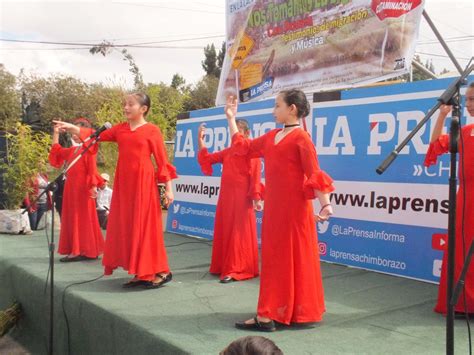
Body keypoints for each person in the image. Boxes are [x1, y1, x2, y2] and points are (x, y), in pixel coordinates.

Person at [225, 90, 335, 331]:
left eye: (277, 106)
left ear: (292, 108)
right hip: (275, 208)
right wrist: (231, 118)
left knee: (289, 259)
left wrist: (325, 204)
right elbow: (243, 147)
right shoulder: (272, 136)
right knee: (276, 259)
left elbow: (314, 174)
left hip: (295, 210)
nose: (274, 111)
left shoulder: (302, 138)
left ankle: (269, 315)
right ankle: (276, 311)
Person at [53, 93, 177, 289]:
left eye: (130, 104)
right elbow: (96, 135)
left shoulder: (152, 130)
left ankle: (161, 271)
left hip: (143, 184)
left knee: (145, 226)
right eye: (124, 104)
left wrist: (169, 190)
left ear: (143, 109)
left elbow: (162, 162)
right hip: (124, 184)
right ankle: (141, 272)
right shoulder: (120, 129)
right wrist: (73, 128)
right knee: (128, 225)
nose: (126, 107)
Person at [424, 82, 474, 317]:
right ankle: (462, 303)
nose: (469, 104)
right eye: (468, 99)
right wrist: (442, 116)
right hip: (465, 200)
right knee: (461, 250)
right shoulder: (465, 132)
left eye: (473, 99)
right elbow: (436, 146)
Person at [197, 120, 262, 283]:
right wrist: (201, 141)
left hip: (242, 199)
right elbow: (207, 159)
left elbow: (255, 178)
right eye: (233, 132)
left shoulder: (251, 153)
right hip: (226, 198)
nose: (235, 136)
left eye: (238, 132)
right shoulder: (228, 152)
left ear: (246, 134)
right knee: (226, 229)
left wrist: (257, 199)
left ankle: (237, 268)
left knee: (238, 233)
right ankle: (222, 265)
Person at [48, 117, 104, 262]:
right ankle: (83, 250)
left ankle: (81, 250)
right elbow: (57, 151)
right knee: (74, 217)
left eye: (76, 130)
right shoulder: (73, 150)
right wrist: (56, 134)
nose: (74, 134)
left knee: (83, 218)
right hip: (71, 189)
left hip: (83, 189)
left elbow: (92, 170)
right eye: (72, 131)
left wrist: (92, 187)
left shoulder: (89, 149)